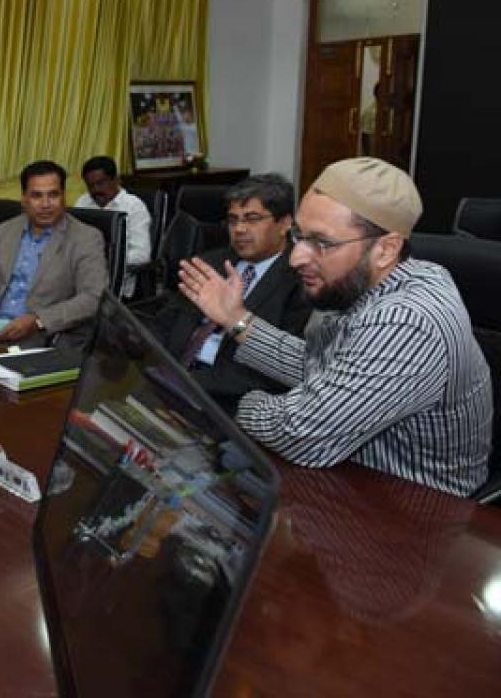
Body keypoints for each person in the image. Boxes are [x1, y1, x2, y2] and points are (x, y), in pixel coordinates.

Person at [178, 157, 492, 496]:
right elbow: (321, 365)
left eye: (322, 243)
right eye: (299, 235)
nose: (297, 257)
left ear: (386, 249)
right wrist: (236, 319)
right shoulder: (370, 281)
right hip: (350, 478)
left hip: (413, 510)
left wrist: (234, 401)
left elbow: (301, 434)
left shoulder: (407, 320)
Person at [151, 174, 311, 412]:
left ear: (285, 223)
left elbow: (276, 372)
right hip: (171, 385)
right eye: (233, 220)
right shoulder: (211, 263)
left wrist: (187, 384)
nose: (239, 229)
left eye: (252, 219)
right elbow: (166, 322)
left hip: (229, 404)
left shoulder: (301, 282)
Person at [0, 161, 108, 352]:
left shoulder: (86, 238)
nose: (46, 204)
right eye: (37, 196)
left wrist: (38, 320)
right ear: (24, 199)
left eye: (53, 195)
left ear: (64, 196)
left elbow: (93, 298)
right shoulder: (5, 230)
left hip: (44, 336)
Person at [74, 156, 152, 299]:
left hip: (117, 284)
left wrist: (105, 261)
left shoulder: (134, 207)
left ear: (116, 180)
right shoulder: (83, 202)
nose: (95, 190)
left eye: (101, 183)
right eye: (90, 185)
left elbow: (142, 255)